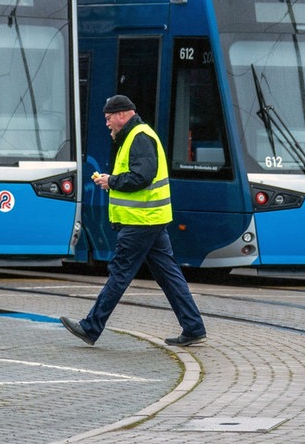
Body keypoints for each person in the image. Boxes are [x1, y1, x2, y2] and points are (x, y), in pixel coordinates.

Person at [60, 95, 207, 347]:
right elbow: (139, 175)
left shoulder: (138, 136)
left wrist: (112, 181)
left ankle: (90, 327)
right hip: (151, 218)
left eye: (108, 119)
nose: (107, 124)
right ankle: (193, 327)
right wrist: (112, 180)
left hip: (142, 220)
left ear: (121, 115)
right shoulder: (136, 135)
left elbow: (142, 176)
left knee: (119, 274)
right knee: (169, 275)